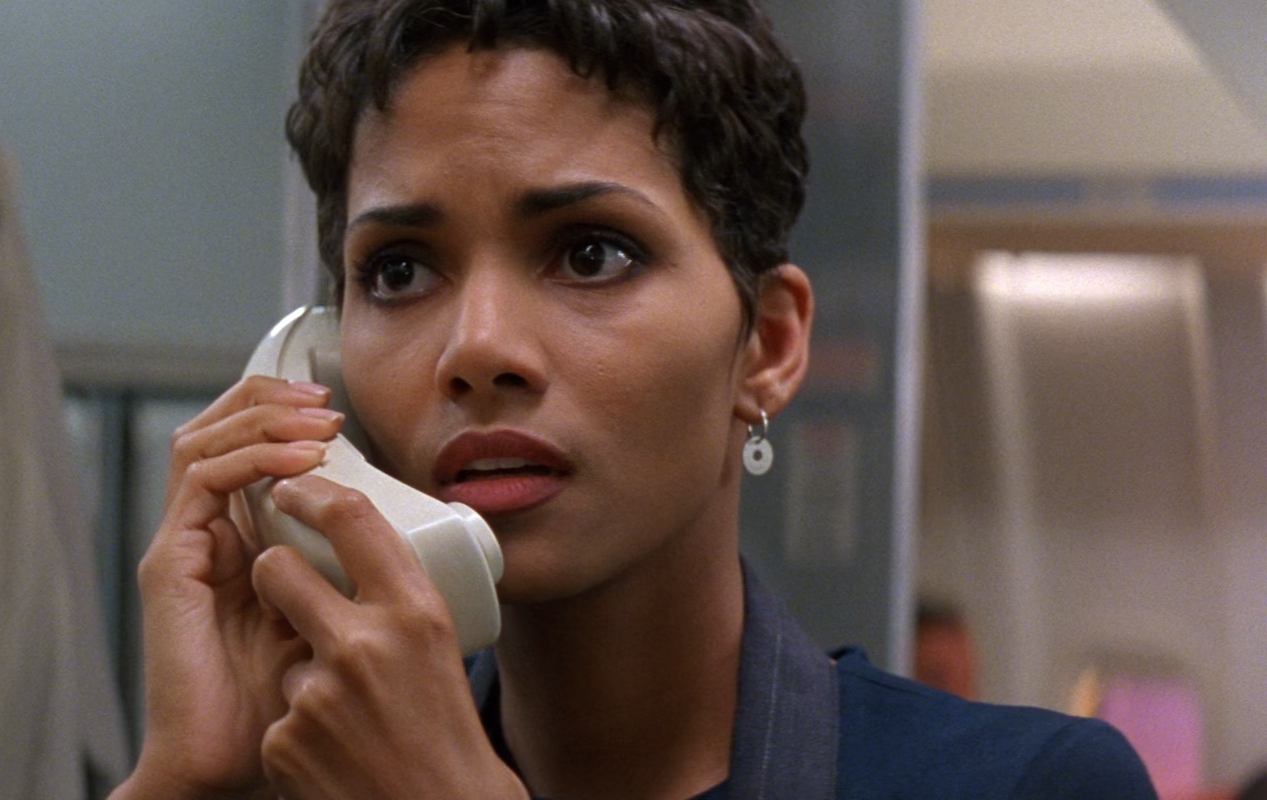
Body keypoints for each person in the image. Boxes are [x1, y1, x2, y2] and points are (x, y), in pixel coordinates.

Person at [111, 1, 1159, 797]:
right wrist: (187, 782)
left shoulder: (1026, 783)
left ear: (769, 346)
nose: (478, 348)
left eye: (591, 253)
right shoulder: (310, 774)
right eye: (399, 270)